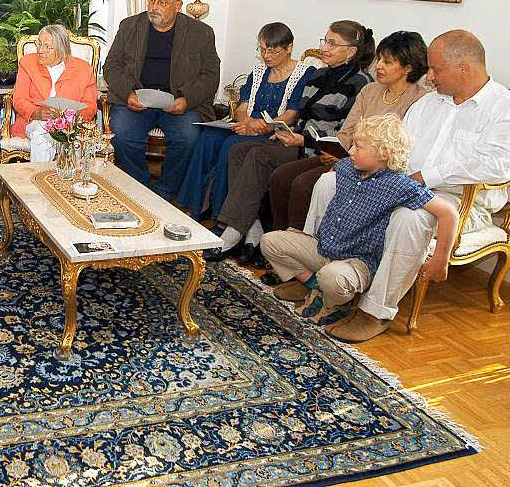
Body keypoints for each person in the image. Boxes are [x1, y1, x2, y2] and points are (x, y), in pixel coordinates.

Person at [312, 30, 510, 343]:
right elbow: (397, 149)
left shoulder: (502, 108)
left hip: (461, 204)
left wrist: (426, 176)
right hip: (401, 181)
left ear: (464, 68)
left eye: (436, 69)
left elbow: (497, 166)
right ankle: (320, 274)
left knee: (410, 216)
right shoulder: (429, 104)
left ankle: (376, 310)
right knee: (330, 182)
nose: (429, 76)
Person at [261, 114, 457, 327]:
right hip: (323, 248)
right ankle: (314, 284)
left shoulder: (399, 185)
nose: (351, 150)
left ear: (384, 153)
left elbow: (448, 213)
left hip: (357, 261)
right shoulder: (346, 167)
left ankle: (333, 302)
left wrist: (440, 260)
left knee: (332, 277)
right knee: (270, 242)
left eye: (359, 146)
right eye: (353, 144)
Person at [205, 20, 374, 263]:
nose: (324, 48)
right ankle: (253, 231)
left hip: (318, 149)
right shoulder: (318, 74)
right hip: (295, 139)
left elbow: (345, 130)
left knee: (257, 155)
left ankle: (233, 233)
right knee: (239, 150)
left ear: (351, 51)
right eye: (325, 40)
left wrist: (301, 138)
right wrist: (285, 130)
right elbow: (301, 114)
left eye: (332, 43)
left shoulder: (360, 83)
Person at [268, 31, 429, 232]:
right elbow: (347, 130)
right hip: (346, 156)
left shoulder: (420, 100)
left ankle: (300, 240)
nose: (378, 66)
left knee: (303, 184)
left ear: (408, 68)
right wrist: (335, 151)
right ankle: (278, 238)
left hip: (375, 167)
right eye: (379, 59)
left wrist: (348, 158)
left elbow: (400, 148)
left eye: (387, 62)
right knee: (281, 176)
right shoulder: (370, 90)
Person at [177, 22, 314, 219]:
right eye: (263, 49)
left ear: (289, 48)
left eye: (273, 51)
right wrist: (247, 122)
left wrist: (262, 127)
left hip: (274, 129)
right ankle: (194, 204)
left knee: (230, 143)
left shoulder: (303, 74)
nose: (266, 56)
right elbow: (242, 106)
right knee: (209, 136)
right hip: (247, 124)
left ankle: (220, 210)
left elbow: (292, 113)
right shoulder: (258, 72)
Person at [103, 0, 220, 202]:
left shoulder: (201, 33)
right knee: (123, 134)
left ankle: (166, 194)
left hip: (178, 104)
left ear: (177, 6)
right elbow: (111, 66)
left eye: (162, 2)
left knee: (188, 137)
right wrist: (128, 94)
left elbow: (210, 75)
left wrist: (186, 99)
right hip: (138, 100)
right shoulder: (130, 26)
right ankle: (142, 190)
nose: (154, 6)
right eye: (152, 0)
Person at [10, 23, 98, 162]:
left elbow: (90, 107)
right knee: (42, 135)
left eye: (47, 47)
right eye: (39, 44)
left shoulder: (84, 69)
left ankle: (70, 181)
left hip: (71, 125)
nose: (40, 50)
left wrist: (69, 115)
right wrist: (35, 112)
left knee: (75, 141)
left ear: (62, 50)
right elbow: (19, 99)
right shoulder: (27, 63)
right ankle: (39, 180)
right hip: (35, 122)